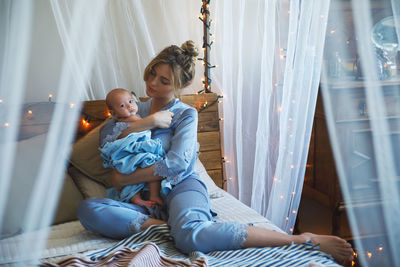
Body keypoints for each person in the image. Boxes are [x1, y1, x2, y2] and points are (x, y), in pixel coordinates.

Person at [77, 40, 354, 263]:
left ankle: (302, 239)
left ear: (180, 85)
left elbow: (178, 164)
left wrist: (125, 179)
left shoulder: (185, 114)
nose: (153, 83)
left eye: (164, 80)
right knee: (88, 210)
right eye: (152, 73)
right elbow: (107, 143)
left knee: (189, 237)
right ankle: (163, 225)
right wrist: (149, 122)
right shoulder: (131, 106)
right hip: (141, 201)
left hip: (181, 186)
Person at [100, 88, 170, 208]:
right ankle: (150, 196)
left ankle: (141, 197)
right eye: (122, 105)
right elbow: (145, 126)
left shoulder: (138, 115)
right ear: (114, 114)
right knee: (150, 163)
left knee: (150, 167)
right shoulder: (127, 120)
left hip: (139, 150)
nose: (129, 106)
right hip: (132, 151)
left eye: (131, 101)